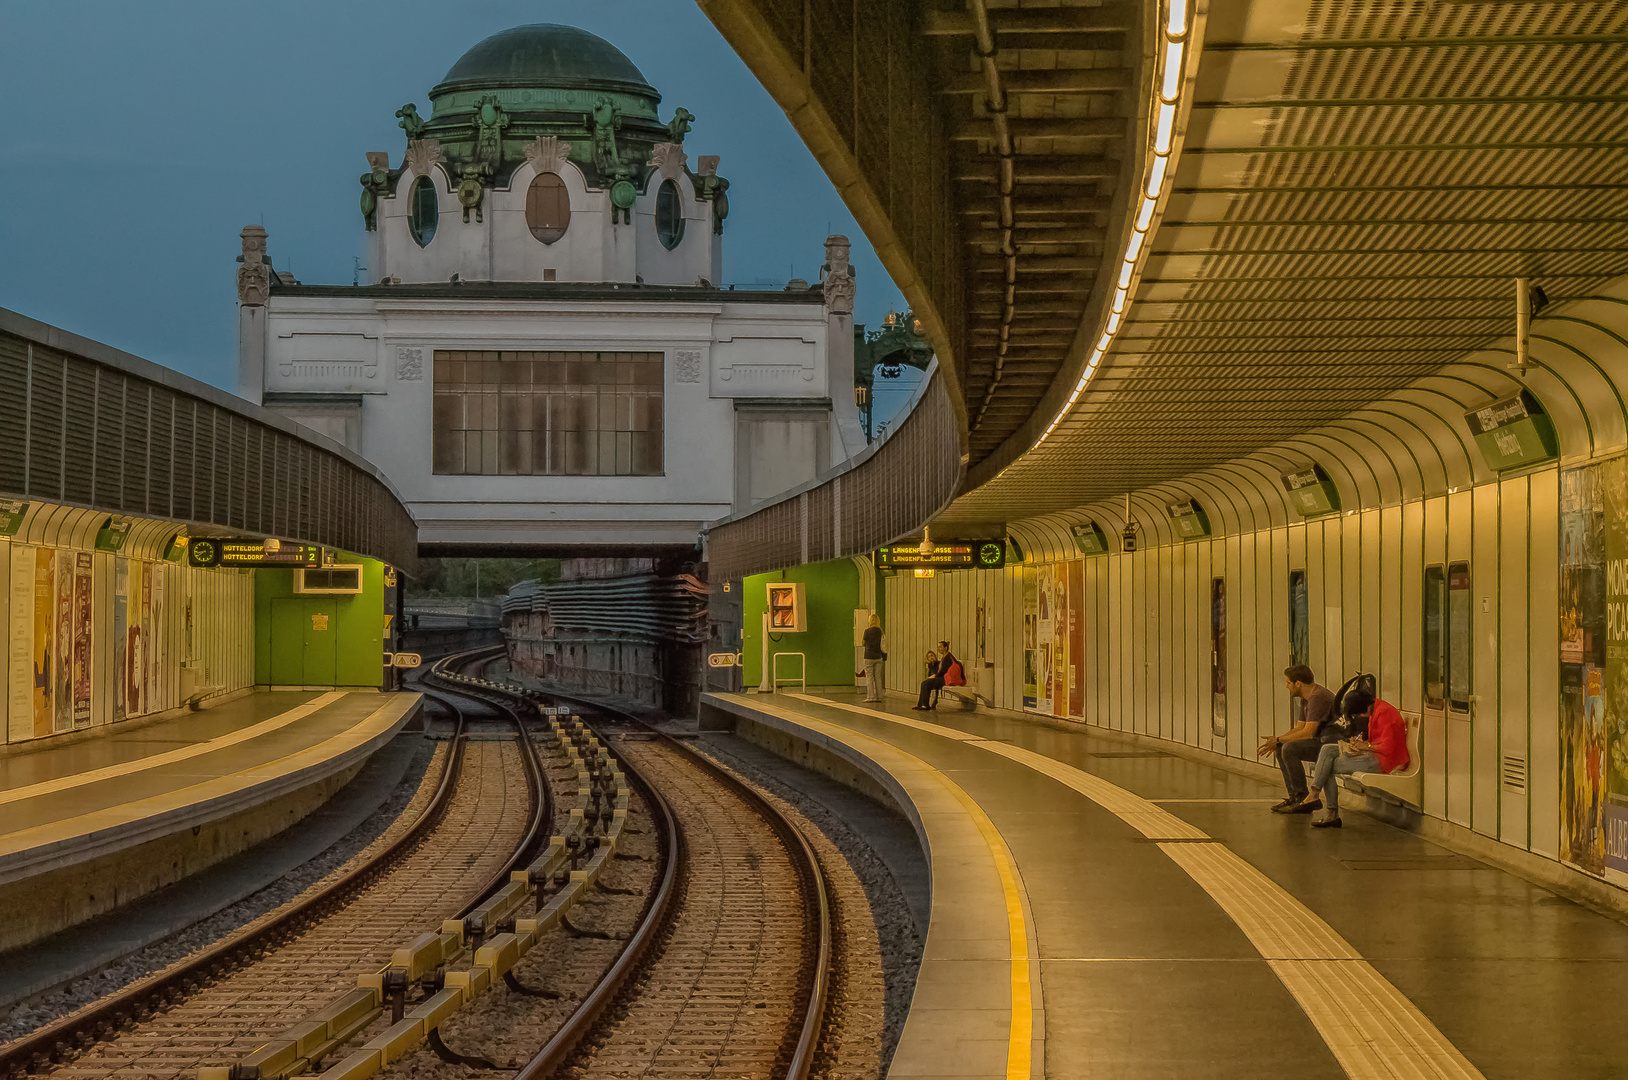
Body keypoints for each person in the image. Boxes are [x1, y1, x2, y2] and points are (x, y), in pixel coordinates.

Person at [1304, 690, 1409, 828]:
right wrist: (1359, 743)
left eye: (1360, 713)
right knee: (1327, 749)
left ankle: (1328, 809)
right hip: (1374, 754)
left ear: (1366, 707)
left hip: (1383, 761)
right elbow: (1377, 740)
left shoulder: (1383, 713)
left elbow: (1387, 748)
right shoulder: (1377, 708)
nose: (1361, 716)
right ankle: (1316, 793)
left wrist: (1365, 746)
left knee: (1325, 768)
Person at [1257, 664, 1337, 813]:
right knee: (1282, 747)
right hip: (1320, 742)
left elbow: (1308, 733)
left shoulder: (1318, 697)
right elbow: (1299, 728)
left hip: (1329, 745)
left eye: (1288, 683)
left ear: (1298, 683)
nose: (1287, 687)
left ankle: (1303, 797)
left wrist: (1280, 739)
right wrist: (1278, 740)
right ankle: (1294, 796)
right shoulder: (1306, 698)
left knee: (1289, 748)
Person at [915, 641, 957, 710]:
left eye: (940, 647)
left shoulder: (948, 658)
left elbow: (943, 671)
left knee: (926, 684)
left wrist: (935, 676)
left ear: (945, 648)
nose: (938, 648)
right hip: (942, 677)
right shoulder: (944, 657)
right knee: (924, 683)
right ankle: (921, 704)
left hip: (945, 679)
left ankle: (925, 705)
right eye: (938, 647)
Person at [862, 615, 886, 703]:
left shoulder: (867, 631)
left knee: (869, 677)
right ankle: (879, 696)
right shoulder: (880, 631)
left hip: (869, 656)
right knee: (878, 677)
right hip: (878, 656)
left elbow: (863, 643)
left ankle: (871, 696)